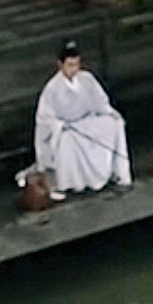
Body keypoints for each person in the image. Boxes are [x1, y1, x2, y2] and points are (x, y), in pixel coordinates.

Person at [25, 41, 132, 200]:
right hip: (67, 129)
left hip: (87, 122)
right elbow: (45, 119)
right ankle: (71, 183)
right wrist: (60, 126)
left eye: (76, 64)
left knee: (113, 124)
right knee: (67, 140)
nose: (73, 69)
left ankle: (115, 173)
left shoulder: (87, 79)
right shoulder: (52, 88)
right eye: (69, 65)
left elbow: (101, 102)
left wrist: (111, 114)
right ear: (61, 65)